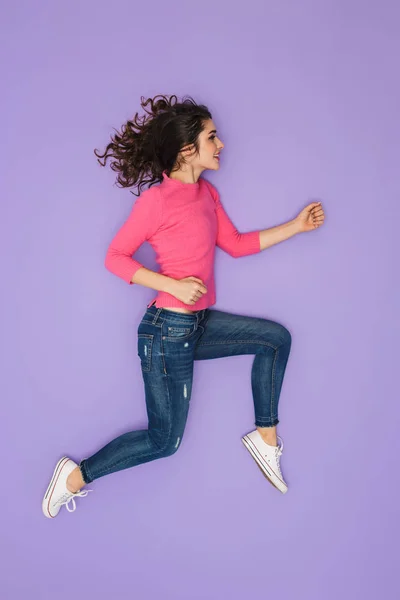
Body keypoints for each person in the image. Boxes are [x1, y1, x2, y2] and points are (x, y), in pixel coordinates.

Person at [42, 94, 325, 518]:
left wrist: (297, 227)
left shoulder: (206, 194)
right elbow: (114, 257)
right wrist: (170, 283)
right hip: (164, 333)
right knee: (165, 441)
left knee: (274, 339)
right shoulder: (156, 200)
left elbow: (236, 244)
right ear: (187, 149)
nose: (222, 144)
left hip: (197, 326)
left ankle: (265, 438)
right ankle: (74, 476)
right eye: (213, 136)